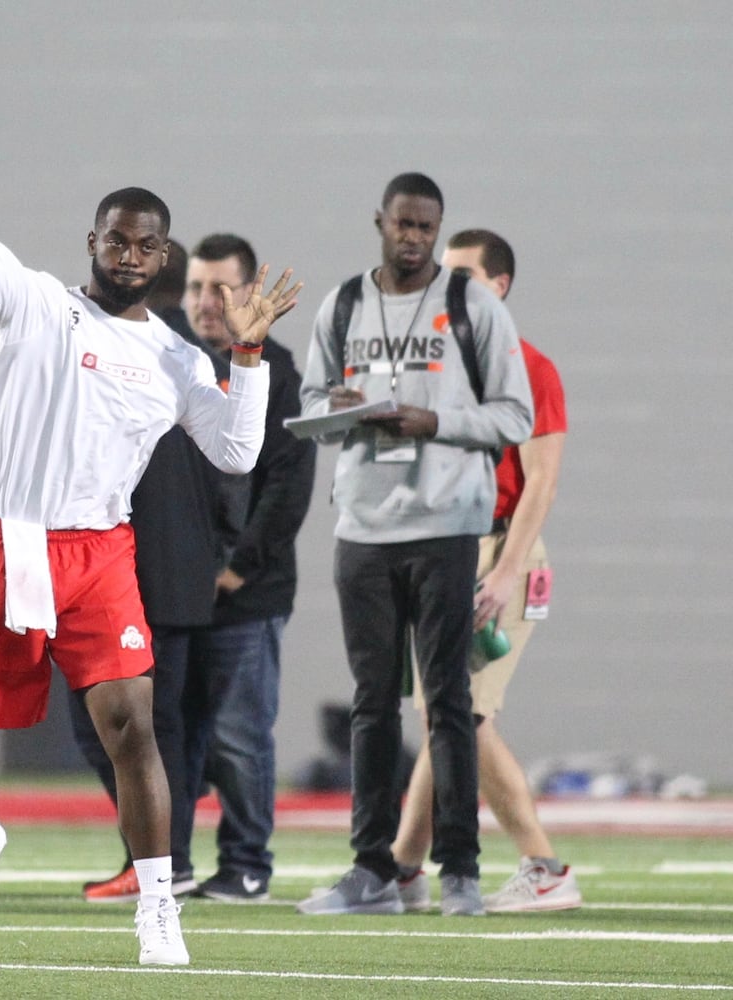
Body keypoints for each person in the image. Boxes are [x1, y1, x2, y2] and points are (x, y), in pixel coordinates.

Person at [0, 74, 301, 966]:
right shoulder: (36, 301)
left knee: (132, 725)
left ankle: (159, 907)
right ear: (94, 242)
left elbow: (236, 451)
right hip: (4, 539)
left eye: (146, 245)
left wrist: (251, 354)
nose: (130, 254)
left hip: (100, 551)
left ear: (165, 259)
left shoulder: (175, 357)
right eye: (117, 239)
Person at [296, 173, 532, 917]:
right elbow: (307, 407)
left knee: (449, 703)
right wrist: (338, 411)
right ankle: (373, 871)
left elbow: (515, 416)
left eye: (426, 228)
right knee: (371, 704)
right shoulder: (342, 304)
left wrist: (435, 421)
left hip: (446, 525)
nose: (414, 238)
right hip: (363, 525)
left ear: (438, 228)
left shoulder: (472, 307)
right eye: (402, 224)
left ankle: (459, 867)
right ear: (380, 222)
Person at [390, 228, 579, 913]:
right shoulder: (440, 365)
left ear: (498, 286)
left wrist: (504, 574)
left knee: (462, 714)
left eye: (464, 275)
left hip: (503, 552)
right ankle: (404, 871)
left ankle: (544, 865)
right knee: (443, 714)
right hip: (446, 547)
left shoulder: (531, 367)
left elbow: (541, 484)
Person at [69, 236, 226, 902]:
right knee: (159, 728)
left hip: (139, 567)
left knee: (140, 728)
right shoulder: (195, 360)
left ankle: (167, 860)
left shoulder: (170, 358)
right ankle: (163, 857)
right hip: (171, 570)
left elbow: (243, 466)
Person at [181, 233, 316, 902]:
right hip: (174, 589)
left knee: (237, 735)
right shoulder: (172, 361)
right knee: (172, 734)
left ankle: (246, 864)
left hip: (244, 592)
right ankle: (162, 862)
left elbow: (288, 483)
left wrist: (236, 568)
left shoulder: (279, 372)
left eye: (221, 289)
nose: (207, 302)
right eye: (196, 288)